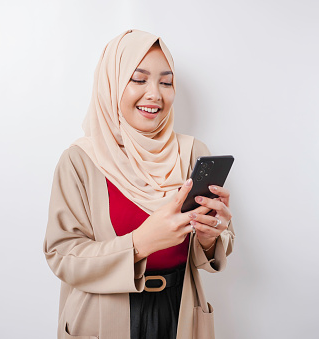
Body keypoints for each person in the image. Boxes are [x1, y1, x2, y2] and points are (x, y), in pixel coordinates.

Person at [43, 29, 235, 339]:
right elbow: (62, 255)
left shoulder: (192, 154)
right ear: (112, 83)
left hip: (178, 311)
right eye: (139, 79)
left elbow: (206, 255)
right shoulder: (80, 160)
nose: (155, 94)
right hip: (104, 317)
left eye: (166, 82)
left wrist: (210, 237)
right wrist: (139, 244)